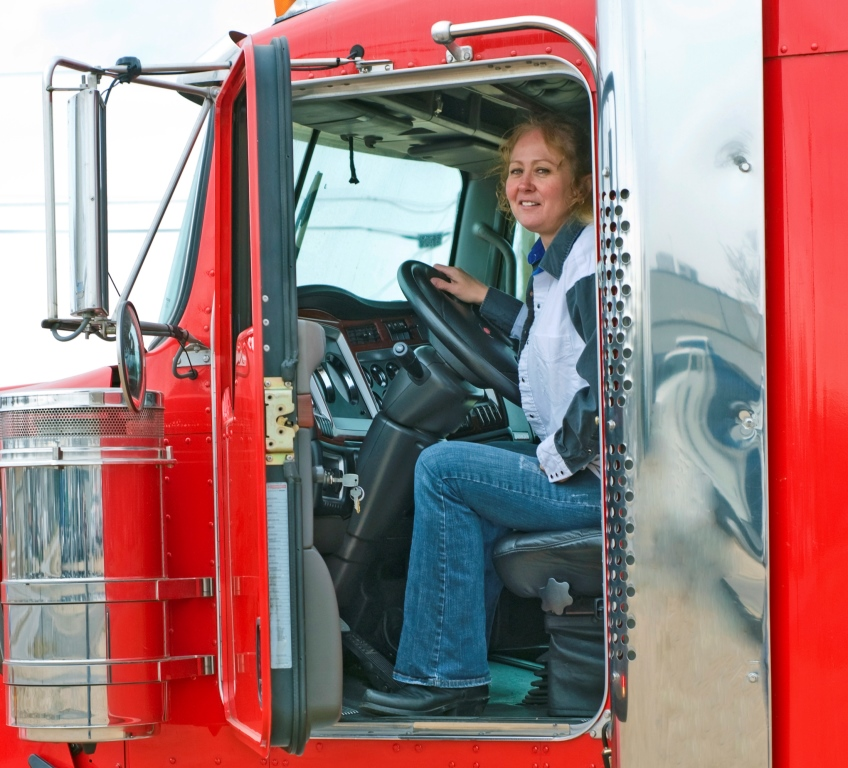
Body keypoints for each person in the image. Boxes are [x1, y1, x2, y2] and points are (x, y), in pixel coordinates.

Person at [360, 113, 602, 717]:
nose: (525, 184)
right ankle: (462, 664)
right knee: (471, 471)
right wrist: (481, 298)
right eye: (516, 172)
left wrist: (553, 460)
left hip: (600, 484)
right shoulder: (559, 262)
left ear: (578, 184)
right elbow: (548, 337)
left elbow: (609, 384)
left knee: (442, 469)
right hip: (589, 470)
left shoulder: (589, 265)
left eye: (543, 170)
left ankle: (441, 677)